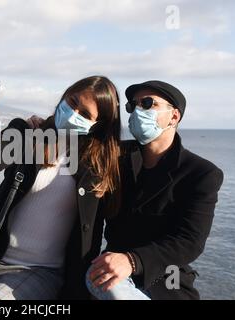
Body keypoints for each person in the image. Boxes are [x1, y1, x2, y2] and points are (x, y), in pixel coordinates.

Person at [0, 76, 122, 300]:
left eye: (85, 115)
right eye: (72, 102)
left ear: (97, 126)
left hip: (37, 271)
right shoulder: (27, 133)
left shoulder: (100, 167)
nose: (73, 114)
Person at [86, 80, 224, 300]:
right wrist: (41, 127)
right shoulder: (116, 158)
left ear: (174, 116)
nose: (138, 111)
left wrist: (133, 260)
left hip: (168, 277)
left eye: (148, 103)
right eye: (133, 106)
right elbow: (76, 149)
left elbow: (190, 241)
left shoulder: (201, 173)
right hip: (112, 269)